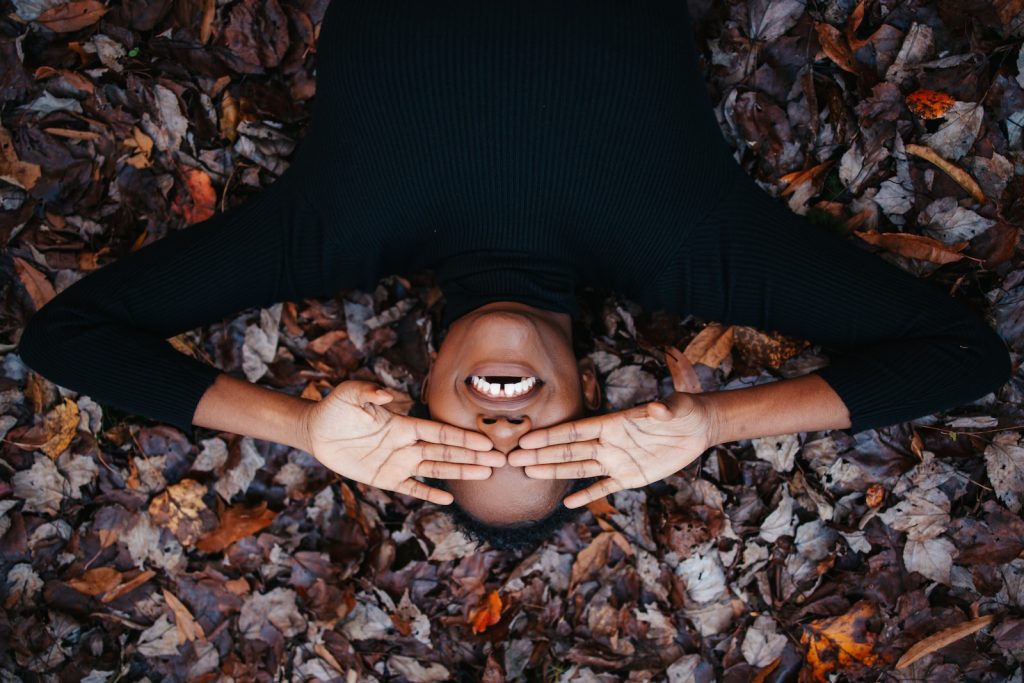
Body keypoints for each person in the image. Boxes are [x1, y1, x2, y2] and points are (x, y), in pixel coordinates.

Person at [16, 0, 1012, 550]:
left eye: (458, 451)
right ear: (594, 399)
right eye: (540, 452)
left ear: (411, 401)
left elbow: (67, 337)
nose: (499, 431)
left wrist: (294, 424)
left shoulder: (326, 234)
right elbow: (958, 356)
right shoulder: (690, 248)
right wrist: (711, 421)